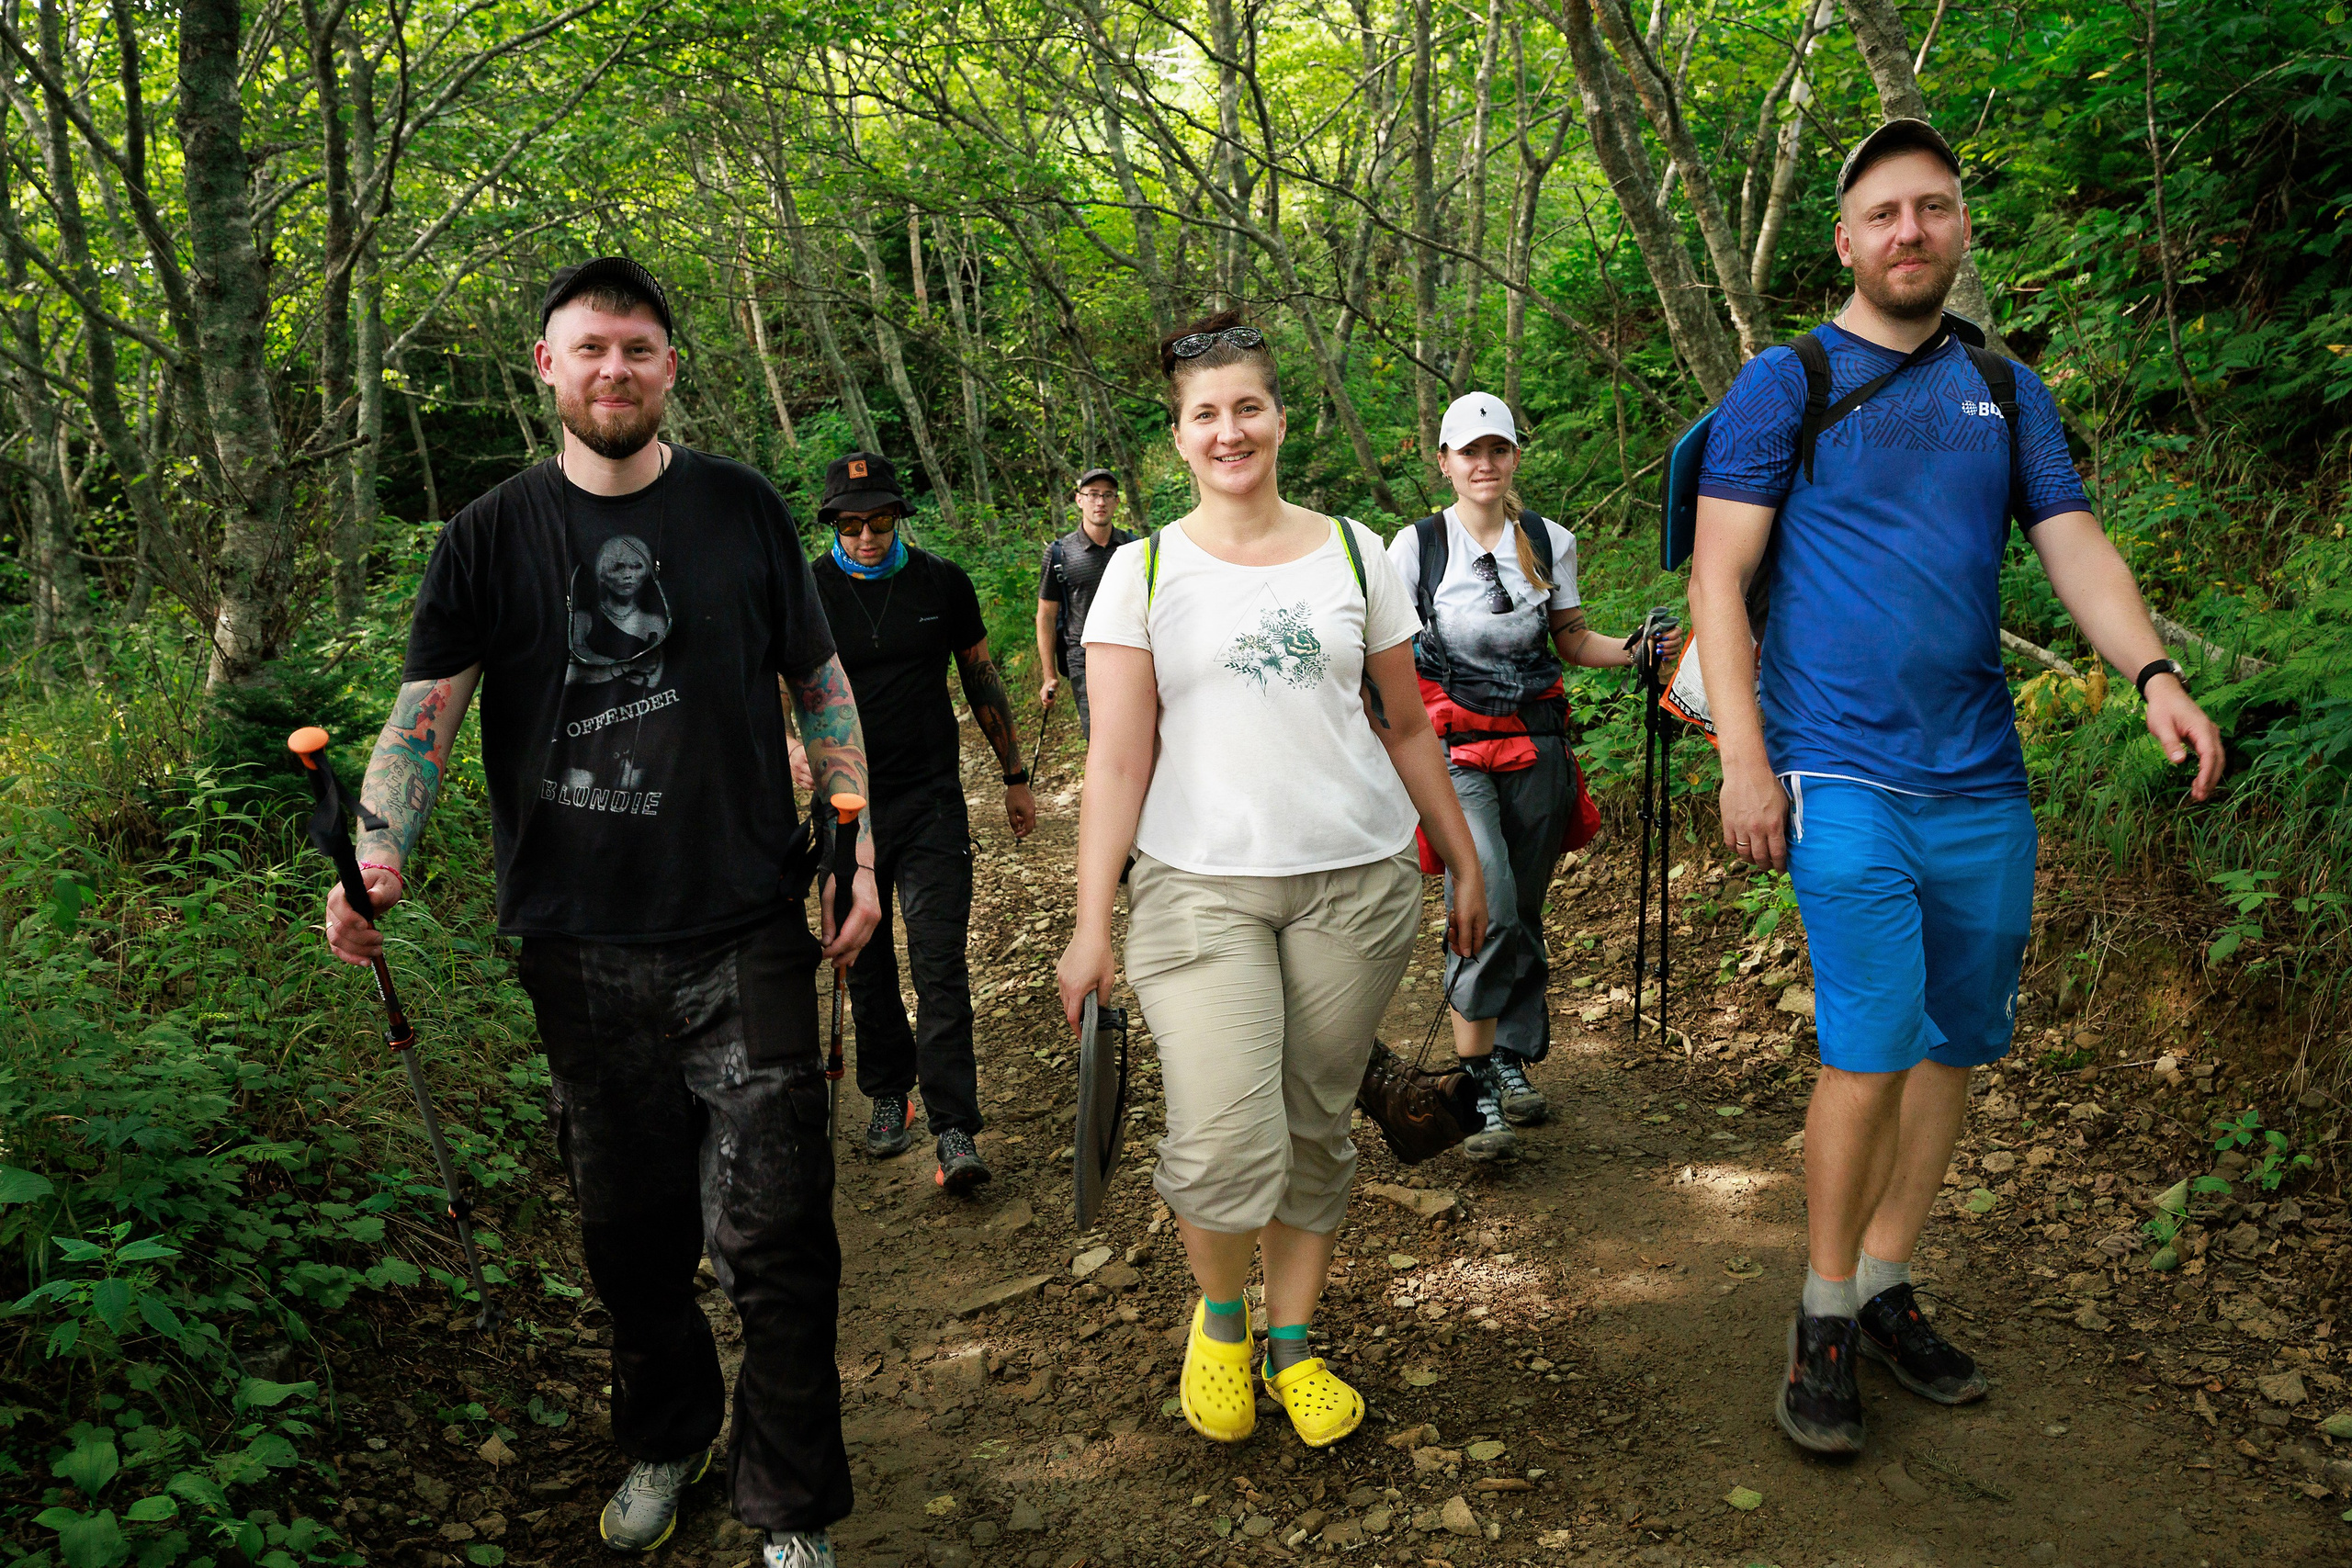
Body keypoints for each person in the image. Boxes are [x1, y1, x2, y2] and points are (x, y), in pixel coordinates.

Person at [318, 257, 881, 1568]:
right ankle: (669, 1433)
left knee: (778, 1229)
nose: (614, 369)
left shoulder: (741, 508)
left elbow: (819, 682)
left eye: (637, 348)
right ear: (547, 367)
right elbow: (424, 717)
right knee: (630, 1237)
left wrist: (855, 850)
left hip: (745, 920)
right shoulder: (488, 535)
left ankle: (791, 1502)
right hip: (576, 944)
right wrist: (376, 848)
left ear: (670, 366)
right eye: (590, 348)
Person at [1689, 120, 2223, 1456]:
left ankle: (1885, 1281)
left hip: (1981, 774)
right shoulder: (1786, 380)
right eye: (1883, 213)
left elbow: (2072, 540)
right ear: (1845, 240)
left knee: (1952, 1042)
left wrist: (2154, 673)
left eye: (1931, 208)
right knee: (1870, 1040)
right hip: (1837, 767)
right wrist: (1745, 759)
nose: (1909, 232)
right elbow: (1718, 578)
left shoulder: (2006, 389)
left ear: (1959, 227)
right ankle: (1821, 1310)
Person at [1056, 310, 1487, 1452]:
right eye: (1205, 413)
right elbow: (1117, 761)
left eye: (1247, 406)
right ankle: (1220, 1318)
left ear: (1279, 418)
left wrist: (1462, 856)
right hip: (1198, 890)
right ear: (1178, 436)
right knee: (1222, 1135)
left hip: (1355, 886)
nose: (1229, 430)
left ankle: (1292, 1341)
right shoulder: (1141, 573)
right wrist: (1089, 924)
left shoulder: (1356, 552)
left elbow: (1404, 723)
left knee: (1313, 1124)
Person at [1387, 392, 1681, 1162]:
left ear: (1515, 456)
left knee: (1522, 906)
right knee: (1484, 896)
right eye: (1469, 451)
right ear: (1444, 462)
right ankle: (1474, 1081)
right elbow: (1385, 655)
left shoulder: (1549, 541)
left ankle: (1510, 1055)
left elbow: (1571, 639)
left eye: (1498, 449)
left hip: (1538, 742)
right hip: (1454, 749)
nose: (1484, 464)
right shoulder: (1417, 546)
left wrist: (1638, 650)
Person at [809, 450, 1035, 1190]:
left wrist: (1014, 776)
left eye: (879, 521)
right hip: (847, 808)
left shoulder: (942, 581)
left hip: (931, 798)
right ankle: (888, 1093)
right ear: (833, 524)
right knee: (865, 960)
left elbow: (980, 674)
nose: (867, 537)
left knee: (940, 962)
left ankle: (954, 1126)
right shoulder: (810, 592)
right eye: (851, 525)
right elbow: (783, 688)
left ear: (898, 517)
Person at [1035, 467, 1138, 740]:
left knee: (1138, 735)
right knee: (1100, 739)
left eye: (1107, 495)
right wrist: (1049, 675)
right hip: (1084, 661)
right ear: (1079, 499)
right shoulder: (1059, 553)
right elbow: (1046, 616)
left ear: (1117, 501)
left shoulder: (1134, 547)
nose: (1100, 502)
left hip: (1133, 655)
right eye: (1093, 494)